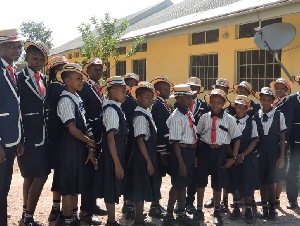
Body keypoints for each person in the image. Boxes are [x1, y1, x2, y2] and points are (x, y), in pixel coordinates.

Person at [56, 63, 98, 226]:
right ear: (67, 81)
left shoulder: (77, 97)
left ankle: (73, 217)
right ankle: (67, 220)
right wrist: (90, 142)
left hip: (79, 145)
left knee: (74, 185)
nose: (82, 82)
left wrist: (90, 148)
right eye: (78, 79)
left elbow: (85, 125)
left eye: (82, 78)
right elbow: (72, 129)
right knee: (68, 185)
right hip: (70, 146)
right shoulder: (65, 100)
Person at [196, 89, 241, 226]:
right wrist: (196, 155)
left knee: (218, 182)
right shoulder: (204, 117)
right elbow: (198, 136)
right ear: (209, 102)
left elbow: (237, 138)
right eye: (213, 102)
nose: (215, 105)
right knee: (200, 181)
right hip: (205, 150)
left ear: (223, 104)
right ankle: (198, 210)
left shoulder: (229, 119)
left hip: (220, 152)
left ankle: (217, 211)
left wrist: (233, 157)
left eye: (219, 103)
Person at [17, 41, 50, 226]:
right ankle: (28, 216)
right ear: (27, 58)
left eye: (41, 59)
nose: (38, 62)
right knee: (39, 175)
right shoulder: (20, 79)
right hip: (27, 136)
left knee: (31, 176)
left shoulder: (43, 79)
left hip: (43, 134)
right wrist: (20, 139)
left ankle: (25, 216)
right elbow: (18, 110)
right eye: (34, 58)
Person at [126, 81, 161, 226]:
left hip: (149, 154)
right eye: (147, 97)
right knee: (139, 187)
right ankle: (138, 220)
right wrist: (148, 161)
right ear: (138, 98)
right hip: (142, 157)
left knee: (145, 185)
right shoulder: (139, 116)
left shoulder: (146, 113)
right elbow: (140, 140)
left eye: (151, 97)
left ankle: (140, 217)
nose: (150, 100)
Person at [77, 57, 107, 225]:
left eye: (101, 68)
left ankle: (93, 204)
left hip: (100, 134)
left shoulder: (99, 87)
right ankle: (85, 211)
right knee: (89, 173)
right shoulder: (85, 87)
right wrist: (90, 138)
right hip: (90, 136)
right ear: (87, 71)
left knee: (95, 173)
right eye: (95, 69)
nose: (99, 71)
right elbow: (83, 114)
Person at [163, 84, 198, 226]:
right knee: (177, 184)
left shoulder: (187, 113)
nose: (191, 100)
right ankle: (169, 215)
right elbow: (175, 143)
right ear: (178, 99)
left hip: (189, 151)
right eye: (187, 97)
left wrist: (193, 156)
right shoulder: (177, 117)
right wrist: (181, 163)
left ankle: (181, 213)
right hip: (180, 153)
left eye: (191, 97)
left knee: (183, 184)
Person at [0, 28, 24, 226]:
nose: (17, 50)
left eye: (19, 46)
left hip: (11, 139)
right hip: (1, 140)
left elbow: (15, 108)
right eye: (11, 46)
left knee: (4, 187)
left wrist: (20, 138)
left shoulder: (11, 71)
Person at [253, 87, 286, 220]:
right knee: (262, 181)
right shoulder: (256, 116)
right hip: (260, 152)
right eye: (263, 100)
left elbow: (282, 137)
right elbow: (255, 138)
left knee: (270, 182)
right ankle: (264, 207)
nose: (265, 102)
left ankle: (272, 208)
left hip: (274, 152)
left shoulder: (279, 115)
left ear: (273, 101)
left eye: (268, 100)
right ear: (260, 100)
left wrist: (282, 157)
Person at [227, 95, 260, 224]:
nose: (241, 110)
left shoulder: (251, 122)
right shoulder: (230, 121)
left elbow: (254, 140)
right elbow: (226, 141)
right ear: (235, 107)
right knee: (234, 181)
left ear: (247, 109)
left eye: (244, 108)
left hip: (247, 157)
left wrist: (242, 156)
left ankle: (247, 209)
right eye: (238, 107)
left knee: (247, 183)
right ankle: (235, 208)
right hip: (232, 157)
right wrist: (233, 156)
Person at [101, 76, 129, 226]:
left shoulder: (117, 107)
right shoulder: (111, 110)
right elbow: (110, 138)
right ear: (112, 91)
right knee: (111, 186)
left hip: (117, 153)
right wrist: (117, 163)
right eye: (123, 91)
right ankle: (111, 221)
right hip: (112, 155)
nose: (125, 94)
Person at [45, 56, 69, 223]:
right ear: (56, 71)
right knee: (61, 173)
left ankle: (56, 207)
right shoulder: (57, 88)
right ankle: (57, 209)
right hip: (60, 136)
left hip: (56, 135)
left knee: (59, 173)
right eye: (62, 68)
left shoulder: (55, 87)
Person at [205, 78, 233, 211]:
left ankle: (225, 200)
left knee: (224, 176)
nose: (221, 90)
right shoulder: (208, 109)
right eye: (218, 88)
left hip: (226, 148)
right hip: (211, 148)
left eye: (223, 89)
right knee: (214, 176)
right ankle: (214, 198)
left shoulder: (231, 110)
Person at [149, 76, 173, 218]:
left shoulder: (163, 104)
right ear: (157, 91)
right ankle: (154, 205)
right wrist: (162, 151)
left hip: (164, 148)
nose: (168, 91)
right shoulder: (158, 106)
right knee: (157, 177)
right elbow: (159, 130)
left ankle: (156, 203)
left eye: (169, 89)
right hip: (160, 149)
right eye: (165, 89)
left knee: (160, 177)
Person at [184, 77, 209, 213]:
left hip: (199, 146)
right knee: (182, 173)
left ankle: (190, 201)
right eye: (190, 87)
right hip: (184, 145)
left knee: (195, 173)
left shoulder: (205, 106)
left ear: (199, 90)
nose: (192, 90)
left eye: (195, 88)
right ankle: (180, 201)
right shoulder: (180, 104)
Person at [270, 78, 294, 206]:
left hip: (281, 142)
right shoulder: (274, 103)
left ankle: (277, 198)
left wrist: (282, 142)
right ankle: (271, 197)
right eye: (277, 88)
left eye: (281, 88)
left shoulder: (288, 104)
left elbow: (287, 126)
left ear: (286, 90)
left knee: (280, 168)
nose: (278, 90)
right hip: (271, 141)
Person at [120, 73, 139, 218]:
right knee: (129, 172)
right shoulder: (124, 102)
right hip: (128, 142)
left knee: (133, 173)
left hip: (136, 141)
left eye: (133, 84)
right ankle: (128, 205)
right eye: (128, 84)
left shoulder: (136, 101)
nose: (130, 87)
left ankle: (129, 204)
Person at [286, 75, 300, 209]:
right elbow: (289, 122)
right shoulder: (292, 99)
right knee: (292, 170)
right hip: (296, 142)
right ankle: (292, 199)